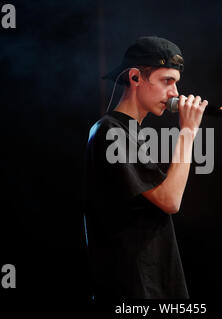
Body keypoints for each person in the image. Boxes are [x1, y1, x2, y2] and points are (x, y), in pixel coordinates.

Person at [82, 36, 207, 299]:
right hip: (131, 292)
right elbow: (170, 200)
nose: (175, 93)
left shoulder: (132, 134)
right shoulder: (110, 131)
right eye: (166, 81)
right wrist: (187, 133)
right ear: (136, 78)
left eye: (176, 83)